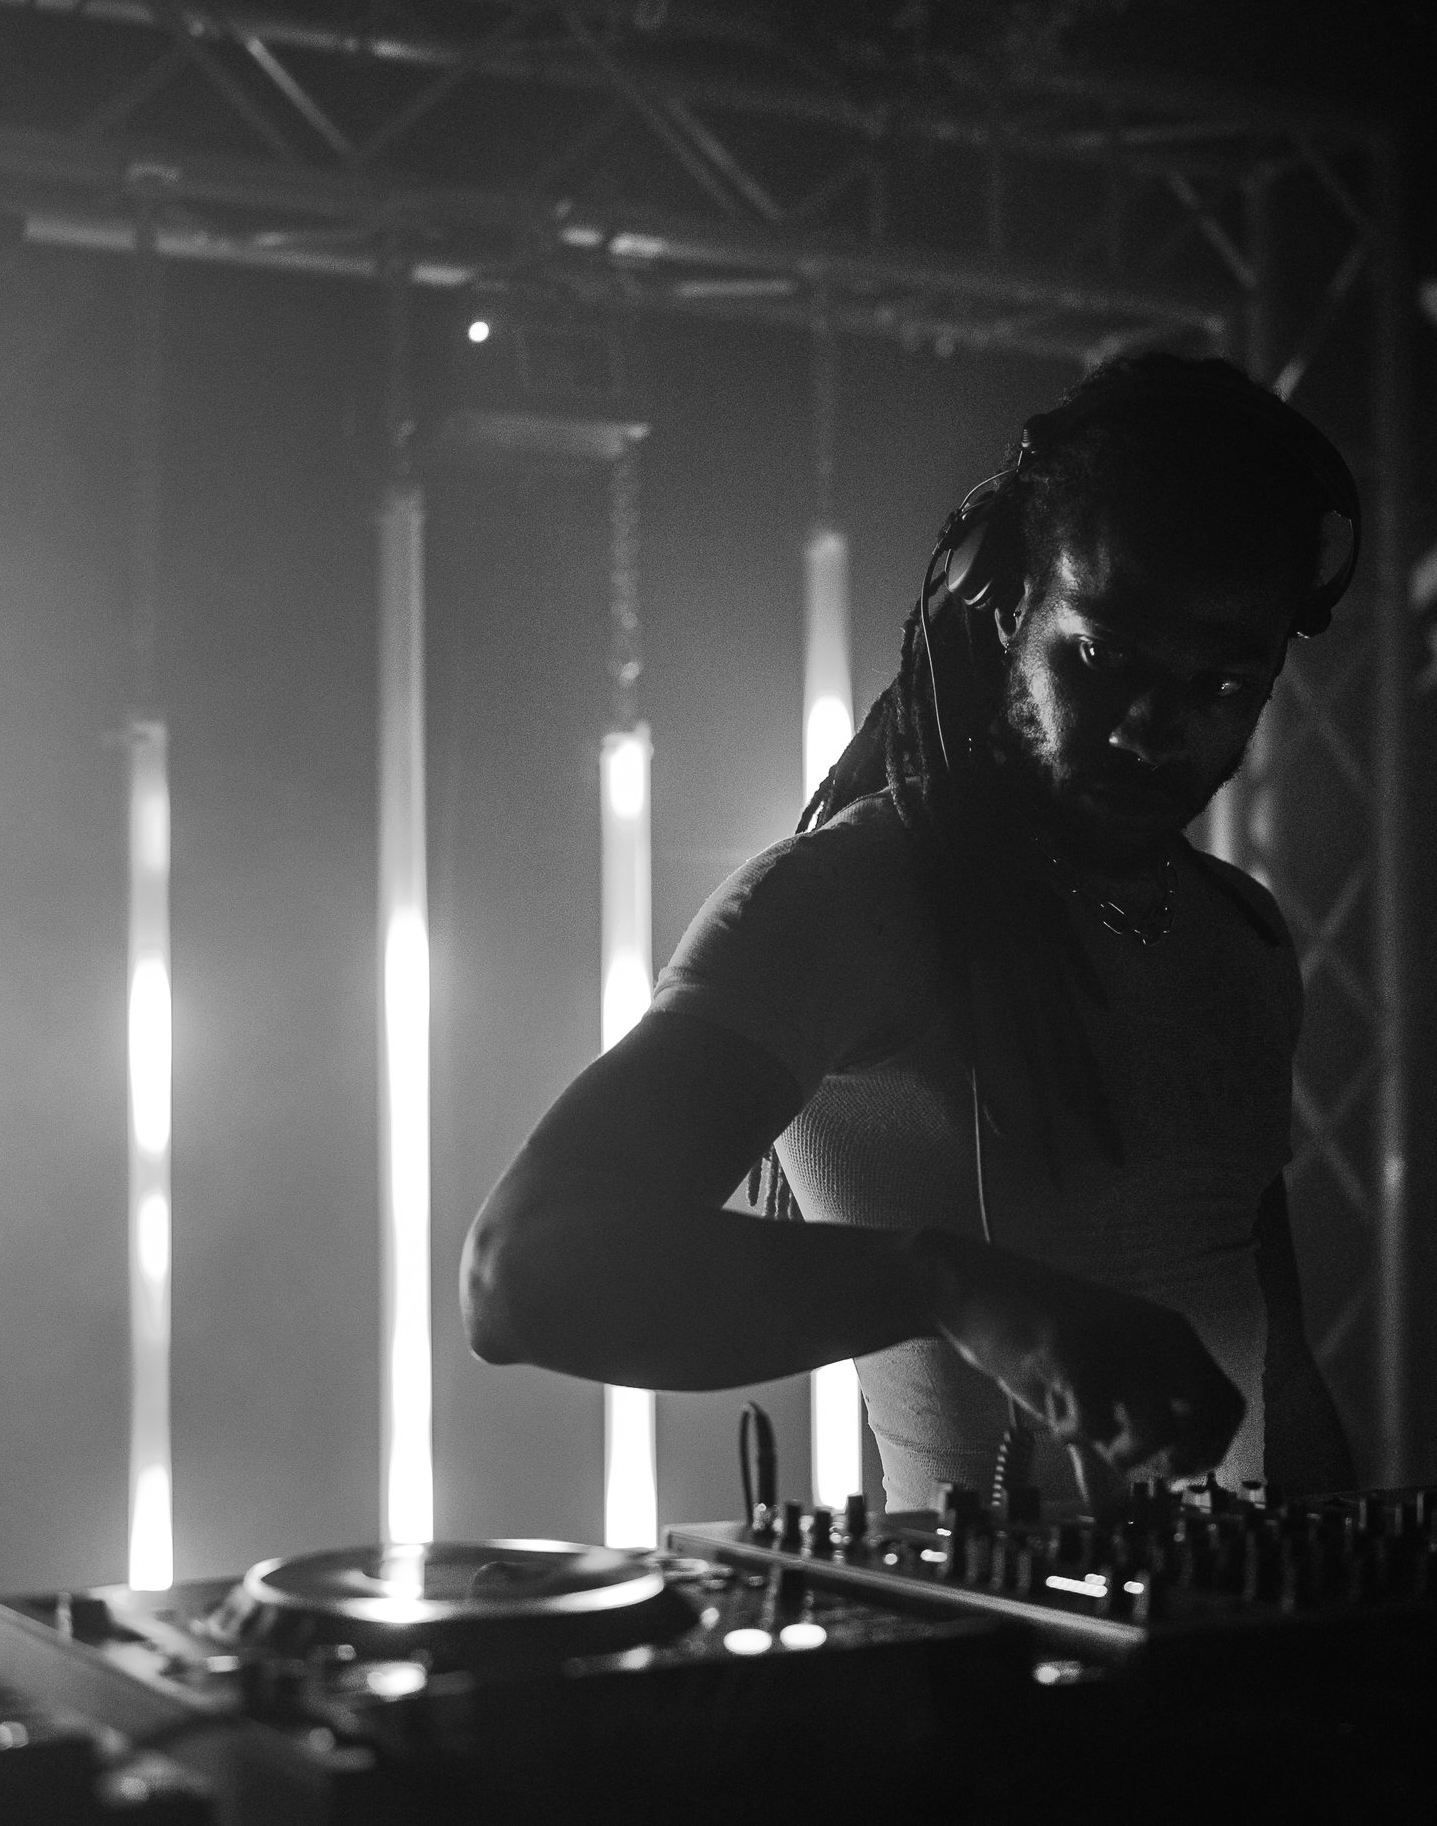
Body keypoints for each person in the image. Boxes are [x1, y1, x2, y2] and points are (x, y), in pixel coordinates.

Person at [462, 354, 1358, 1513]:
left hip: (1232, 1652)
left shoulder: (1241, 936)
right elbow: (522, 1275)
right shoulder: (847, 902)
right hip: (973, 1672)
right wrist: (953, 1286)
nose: (1155, 726)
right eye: (1101, 655)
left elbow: (1280, 1371)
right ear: (1004, 598)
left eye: (1223, 684)